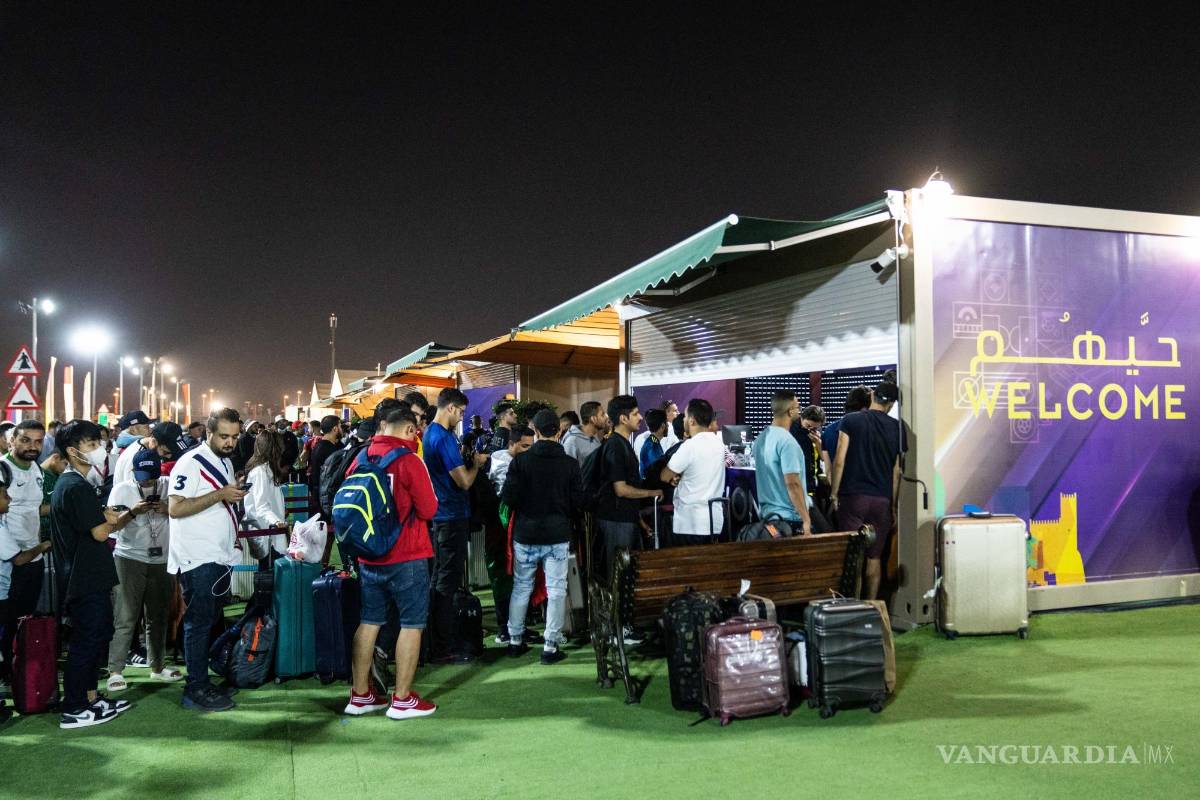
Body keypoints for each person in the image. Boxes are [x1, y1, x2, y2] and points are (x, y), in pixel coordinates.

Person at [344, 408, 439, 719]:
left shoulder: (361, 458)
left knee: (369, 621)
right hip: (407, 554)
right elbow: (429, 509)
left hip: (368, 553)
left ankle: (360, 695)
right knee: (412, 624)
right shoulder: (409, 460)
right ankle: (402, 699)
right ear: (410, 430)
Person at [51, 420, 138, 728]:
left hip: (89, 576)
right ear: (72, 451)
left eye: (99, 443)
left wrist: (106, 517)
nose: (99, 449)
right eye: (91, 445)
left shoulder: (76, 484)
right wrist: (110, 518)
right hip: (83, 578)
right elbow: (100, 532)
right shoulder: (74, 486)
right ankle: (75, 707)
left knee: (95, 638)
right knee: (85, 643)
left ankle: (90, 698)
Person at [168, 408, 247, 712]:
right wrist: (220, 494)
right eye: (224, 436)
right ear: (209, 433)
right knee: (198, 623)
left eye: (235, 437)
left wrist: (231, 492)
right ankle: (195, 687)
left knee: (210, 619)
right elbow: (175, 508)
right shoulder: (190, 462)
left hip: (218, 553)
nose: (230, 442)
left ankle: (204, 679)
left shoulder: (224, 461)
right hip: (197, 555)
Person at [502, 409, 584, 665]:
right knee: (557, 589)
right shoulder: (569, 464)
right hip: (557, 533)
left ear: (536, 431)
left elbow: (508, 498)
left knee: (521, 586)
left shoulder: (521, 462)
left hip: (526, 532)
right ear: (558, 432)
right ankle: (550, 644)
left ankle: (515, 640)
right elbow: (578, 502)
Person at [104, 448, 182, 692]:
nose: (147, 481)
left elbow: (184, 513)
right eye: (142, 476)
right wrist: (133, 512)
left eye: (151, 476)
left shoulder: (169, 485)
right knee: (125, 616)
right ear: (133, 471)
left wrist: (168, 508)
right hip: (129, 558)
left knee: (158, 616)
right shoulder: (122, 489)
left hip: (163, 559)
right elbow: (110, 526)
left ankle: (157, 666)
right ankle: (115, 671)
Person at [423, 388, 488, 662]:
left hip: (442, 516)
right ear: (450, 407)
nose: (462, 417)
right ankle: (442, 646)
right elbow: (464, 481)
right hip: (450, 516)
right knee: (446, 582)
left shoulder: (431, 433)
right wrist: (477, 464)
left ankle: (437, 642)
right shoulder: (442, 437)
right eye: (460, 411)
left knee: (441, 579)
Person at [830, 381, 905, 600]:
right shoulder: (898, 428)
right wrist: (893, 506)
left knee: (853, 558)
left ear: (873, 395)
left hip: (852, 498)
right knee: (874, 558)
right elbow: (897, 471)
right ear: (891, 404)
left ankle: (851, 605)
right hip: (882, 500)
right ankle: (871, 606)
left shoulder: (851, 420)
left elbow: (839, 460)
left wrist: (834, 493)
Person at [595, 395, 661, 624]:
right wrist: (651, 493)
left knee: (624, 574)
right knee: (618, 575)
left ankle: (622, 626)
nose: (640, 417)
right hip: (615, 520)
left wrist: (639, 521)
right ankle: (617, 628)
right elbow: (621, 489)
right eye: (635, 413)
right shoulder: (615, 446)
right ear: (623, 418)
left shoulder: (622, 444)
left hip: (624, 519)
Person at [1, 421, 49, 679]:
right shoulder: (3, 469)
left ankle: (23, 674)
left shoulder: (35, 468)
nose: (33, 446)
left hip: (34, 556)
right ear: (12, 441)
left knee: (25, 619)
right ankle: (8, 673)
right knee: (8, 621)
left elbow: (35, 509)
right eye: (26, 440)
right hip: (9, 561)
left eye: (38, 441)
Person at [660, 399, 726, 545]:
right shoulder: (719, 444)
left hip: (690, 523)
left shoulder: (689, 446)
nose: (683, 419)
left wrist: (676, 476)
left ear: (692, 420)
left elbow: (665, 476)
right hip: (714, 522)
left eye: (684, 416)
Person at [752, 392, 814, 536]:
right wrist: (806, 520)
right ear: (790, 411)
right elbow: (793, 483)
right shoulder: (787, 442)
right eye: (798, 407)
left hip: (769, 520)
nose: (800, 410)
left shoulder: (760, 439)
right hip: (789, 519)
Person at [242, 431, 292, 559]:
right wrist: (276, 521)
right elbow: (261, 506)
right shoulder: (260, 472)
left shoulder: (266, 470)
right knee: (267, 568)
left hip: (269, 531)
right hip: (265, 534)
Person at [793, 405, 833, 532]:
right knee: (823, 529)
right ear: (802, 418)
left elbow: (824, 458)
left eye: (815, 428)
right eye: (808, 426)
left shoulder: (817, 436)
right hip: (801, 489)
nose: (811, 430)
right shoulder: (792, 433)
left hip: (813, 488)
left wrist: (819, 443)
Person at [113, 421, 186, 487]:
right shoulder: (136, 457)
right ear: (154, 442)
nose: (169, 456)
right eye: (165, 452)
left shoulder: (151, 452)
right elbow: (132, 489)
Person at [821, 386, 870, 478]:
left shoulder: (828, 431)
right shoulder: (870, 430)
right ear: (865, 408)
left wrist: (834, 487)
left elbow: (828, 471)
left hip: (839, 485)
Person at [487, 426, 534, 495]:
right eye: (525, 446)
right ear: (511, 443)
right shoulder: (505, 467)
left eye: (531, 447)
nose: (529, 450)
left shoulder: (506, 456)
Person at [306, 414, 343, 503]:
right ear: (335, 429)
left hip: (321, 493)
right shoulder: (328, 449)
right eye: (340, 426)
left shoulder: (320, 446)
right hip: (327, 496)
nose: (342, 429)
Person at [562, 401, 606, 465]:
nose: (606, 417)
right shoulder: (571, 442)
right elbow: (568, 468)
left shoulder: (594, 437)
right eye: (602, 415)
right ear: (593, 419)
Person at [637, 409, 668, 480]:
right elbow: (656, 473)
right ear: (662, 426)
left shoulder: (653, 442)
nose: (668, 426)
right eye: (666, 423)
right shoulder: (652, 445)